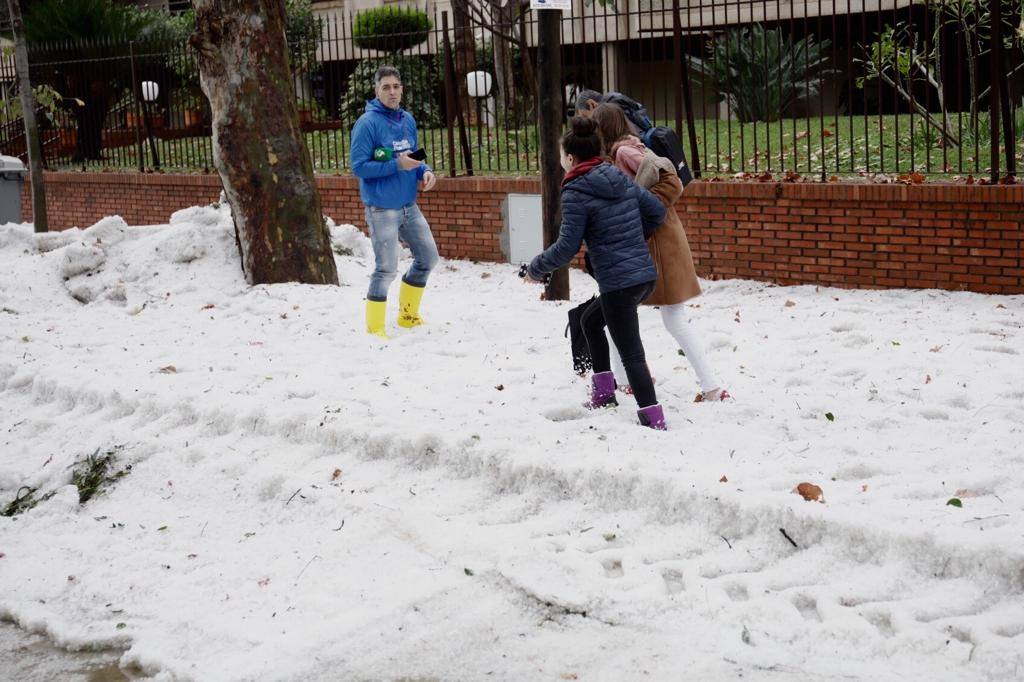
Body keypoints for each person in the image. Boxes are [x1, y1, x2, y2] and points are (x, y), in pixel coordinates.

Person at [526, 117, 669, 430]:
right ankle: (604, 393)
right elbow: (657, 211)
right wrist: (632, 238)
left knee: (631, 352)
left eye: (563, 156)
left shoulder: (576, 191)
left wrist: (536, 268)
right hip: (642, 275)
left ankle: (653, 418)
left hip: (620, 283)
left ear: (571, 158)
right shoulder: (618, 178)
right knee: (591, 321)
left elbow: (566, 248)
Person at [591, 103, 729, 402]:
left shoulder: (625, 152)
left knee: (670, 317)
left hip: (658, 240)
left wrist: (640, 210)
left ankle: (713, 387)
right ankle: (628, 379)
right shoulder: (622, 150)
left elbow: (670, 180)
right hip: (655, 237)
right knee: (618, 312)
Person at [350, 65, 439, 339]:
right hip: (381, 208)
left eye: (396, 86)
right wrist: (396, 165)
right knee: (386, 267)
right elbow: (359, 167)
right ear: (377, 91)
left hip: (408, 206)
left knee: (428, 257)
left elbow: (412, 157)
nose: (392, 91)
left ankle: (407, 315)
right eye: (386, 87)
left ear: (402, 89)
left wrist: (424, 171)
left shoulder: (407, 120)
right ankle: (375, 328)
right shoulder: (367, 124)